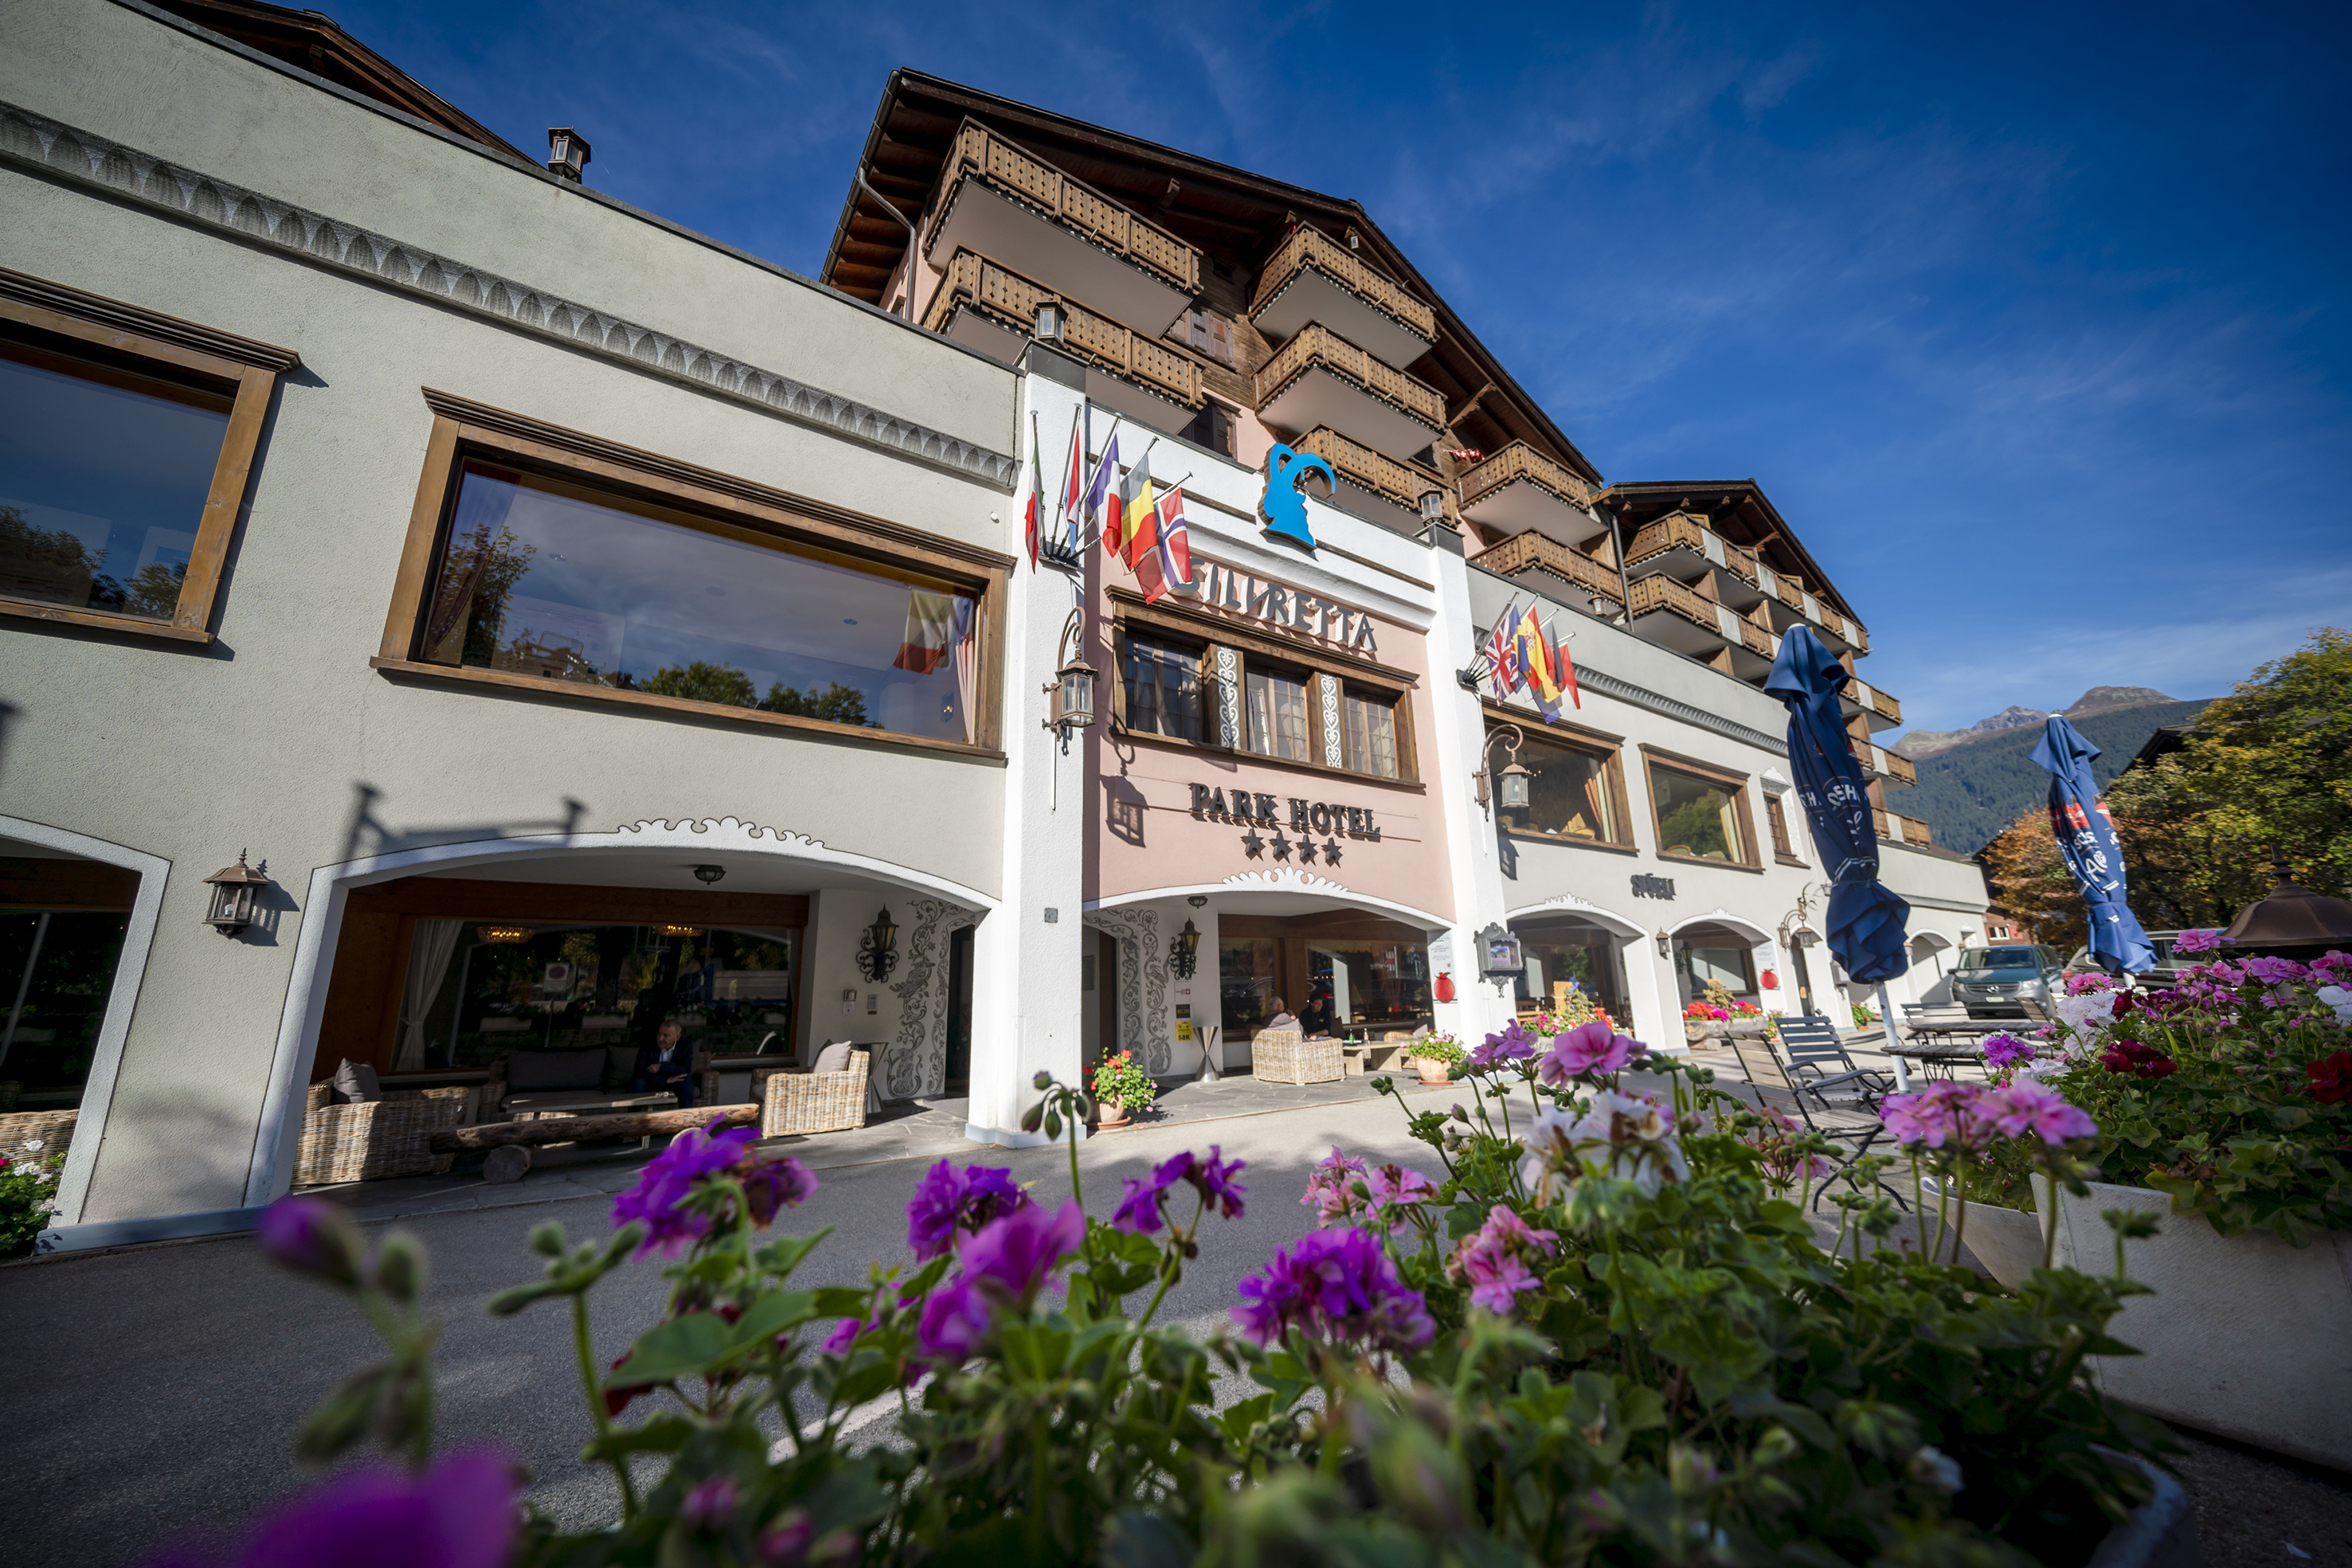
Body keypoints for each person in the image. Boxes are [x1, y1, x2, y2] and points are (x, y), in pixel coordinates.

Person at [631, 1016, 696, 1108]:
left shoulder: (686, 1044)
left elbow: (685, 1068)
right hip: (653, 1081)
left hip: (674, 1083)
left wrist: (661, 1066)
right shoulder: (648, 1042)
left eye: (666, 1035)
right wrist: (665, 1080)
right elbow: (639, 1070)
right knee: (638, 1083)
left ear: (677, 1037)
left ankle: (685, 1118)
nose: (660, 1038)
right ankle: (634, 1119)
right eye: (659, 1034)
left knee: (686, 1081)